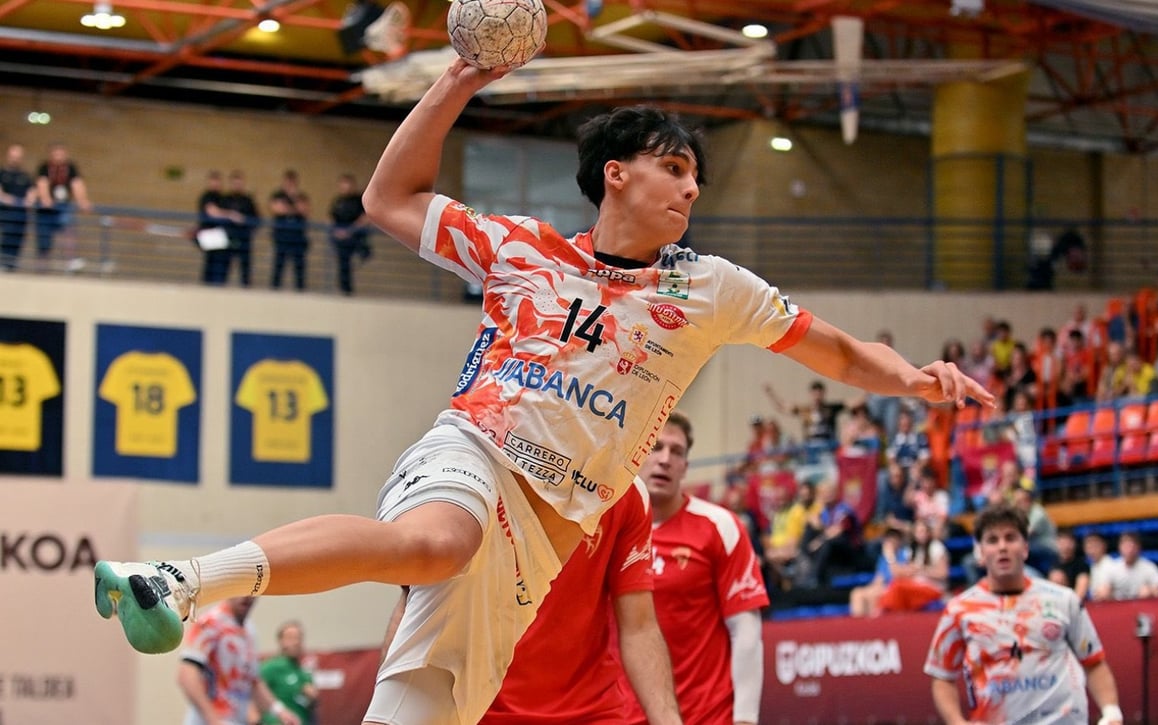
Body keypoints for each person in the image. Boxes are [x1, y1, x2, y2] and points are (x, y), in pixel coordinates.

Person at [94, 57, 993, 725]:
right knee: (435, 538)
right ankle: (180, 579)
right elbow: (389, 197)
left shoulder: (711, 286)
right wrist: (461, 75)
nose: (690, 187)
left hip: (546, 534)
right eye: (674, 168)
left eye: (695, 177)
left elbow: (833, 351)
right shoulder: (523, 249)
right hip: (475, 449)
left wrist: (914, 380)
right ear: (618, 172)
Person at [379, 483, 683, 725]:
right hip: (479, 708)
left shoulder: (625, 489)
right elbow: (412, 605)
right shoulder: (483, 473)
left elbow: (639, 627)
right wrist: (387, 706)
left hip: (590, 712)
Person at [621, 411, 770, 725]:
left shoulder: (720, 526)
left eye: (676, 451)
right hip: (622, 715)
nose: (664, 459)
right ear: (635, 454)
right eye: (655, 447)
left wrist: (745, 718)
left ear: (686, 466)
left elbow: (745, 630)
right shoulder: (605, 530)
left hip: (707, 715)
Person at [924, 503, 1123, 725]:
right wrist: (956, 722)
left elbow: (1094, 662)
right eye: (992, 540)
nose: (1002, 547)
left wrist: (1112, 712)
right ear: (980, 552)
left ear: (1025, 548)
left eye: (1010, 538)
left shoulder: (1063, 600)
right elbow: (942, 677)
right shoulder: (958, 610)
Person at [177, 596, 301, 725]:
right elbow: (186, 676)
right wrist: (213, 719)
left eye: (252, 591)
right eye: (242, 590)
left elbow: (253, 681)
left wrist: (280, 711)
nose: (247, 596)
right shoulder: (210, 623)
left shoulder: (250, 631)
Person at [34, 142, 92, 273]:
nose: (59, 157)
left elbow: (77, 184)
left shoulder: (70, 168)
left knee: (68, 231)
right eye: (56, 154)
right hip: (46, 210)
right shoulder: (44, 167)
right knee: (44, 238)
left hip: (63, 207)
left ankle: (70, 260)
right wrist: (45, 198)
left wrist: (83, 200)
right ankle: (42, 265)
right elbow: (42, 183)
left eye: (61, 154)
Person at [259, 620, 318, 725]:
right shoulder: (271, 667)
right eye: (290, 638)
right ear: (281, 641)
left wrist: (312, 698)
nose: (296, 642)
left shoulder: (304, 672)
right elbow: (253, 693)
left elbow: (312, 706)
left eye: (298, 638)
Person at [196, 170, 243, 286]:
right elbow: (212, 211)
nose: (216, 184)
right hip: (211, 236)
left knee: (221, 264)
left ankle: (217, 286)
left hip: (221, 237)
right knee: (213, 264)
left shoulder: (222, 198)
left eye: (218, 182)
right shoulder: (207, 196)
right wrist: (230, 215)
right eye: (213, 181)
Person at [330, 172, 372, 296]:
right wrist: (336, 231)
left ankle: (349, 290)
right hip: (341, 238)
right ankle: (344, 289)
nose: (345, 187)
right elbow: (331, 217)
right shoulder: (338, 201)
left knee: (355, 260)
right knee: (343, 263)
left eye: (347, 183)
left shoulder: (359, 200)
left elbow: (366, 217)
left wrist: (350, 231)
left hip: (356, 238)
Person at [1091, 531, 1158, 601]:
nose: (1129, 550)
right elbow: (1101, 591)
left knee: (1146, 592)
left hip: (1142, 608)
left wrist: (1150, 591)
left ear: (1138, 548)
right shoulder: (1112, 567)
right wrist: (1104, 592)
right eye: (1126, 546)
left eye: (1132, 546)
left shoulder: (1149, 567)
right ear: (1120, 547)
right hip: (1117, 607)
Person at [270, 169, 310, 290]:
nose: (290, 185)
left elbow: (304, 210)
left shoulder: (301, 196)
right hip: (281, 236)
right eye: (288, 182)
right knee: (278, 265)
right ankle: (275, 289)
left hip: (298, 237)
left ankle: (300, 290)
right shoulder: (277, 195)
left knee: (299, 267)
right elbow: (276, 209)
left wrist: (290, 203)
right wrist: (294, 208)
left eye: (292, 182)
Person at [222, 169, 261, 287]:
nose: (237, 185)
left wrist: (244, 222)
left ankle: (246, 290)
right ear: (231, 183)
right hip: (228, 237)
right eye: (235, 183)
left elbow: (256, 219)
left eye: (239, 183)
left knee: (245, 269)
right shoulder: (225, 200)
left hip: (244, 239)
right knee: (224, 267)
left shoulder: (248, 201)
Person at [0, 142, 34, 271]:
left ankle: (10, 265)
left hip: (20, 216)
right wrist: (14, 201)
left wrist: (30, 199)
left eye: (18, 157)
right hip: (4, 215)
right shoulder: (2, 173)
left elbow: (31, 192)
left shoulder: (25, 176)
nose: (15, 159)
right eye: (13, 156)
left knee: (16, 241)